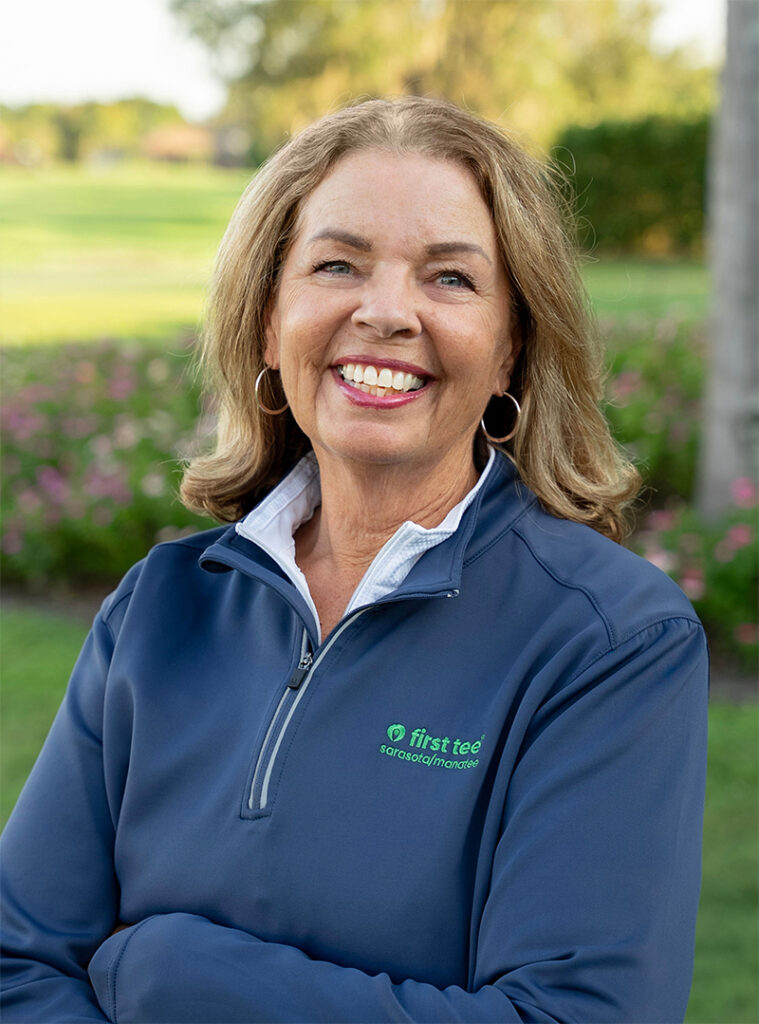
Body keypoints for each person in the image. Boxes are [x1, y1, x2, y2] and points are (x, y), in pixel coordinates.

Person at [0, 97, 708, 1023]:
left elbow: (570, 1016)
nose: (385, 313)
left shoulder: (612, 642)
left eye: (449, 279)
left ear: (511, 351)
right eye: (336, 264)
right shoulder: (158, 609)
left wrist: (173, 976)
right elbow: (18, 964)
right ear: (266, 322)